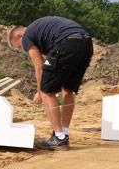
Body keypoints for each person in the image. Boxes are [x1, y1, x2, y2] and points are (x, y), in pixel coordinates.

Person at [8, 16, 93, 150]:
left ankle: (59, 138)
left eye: (19, 46)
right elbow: (51, 54)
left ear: (19, 35)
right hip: (86, 43)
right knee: (68, 89)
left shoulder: (27, 36)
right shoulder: (41, 30)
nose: (23, 49)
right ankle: (63, 134)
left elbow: (39, 66)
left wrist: (39, 91)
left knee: (47, 91)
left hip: (67, 42)